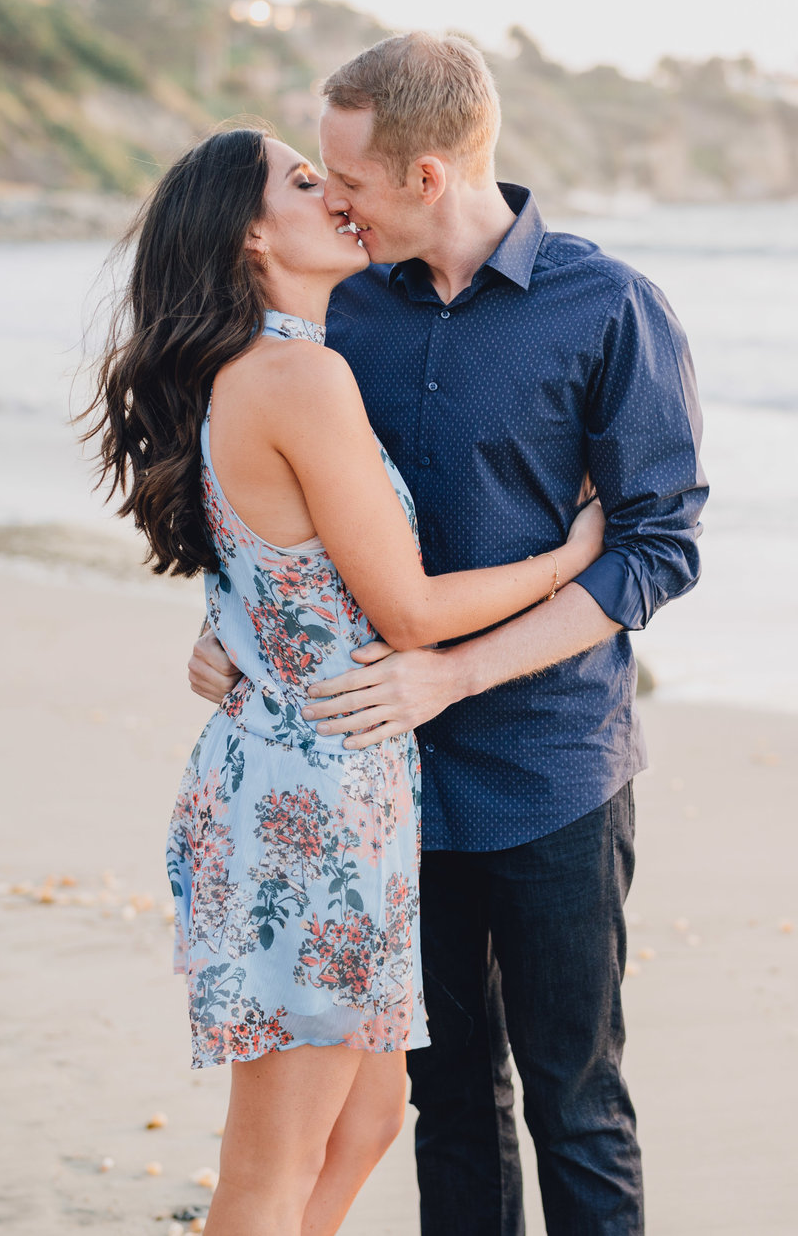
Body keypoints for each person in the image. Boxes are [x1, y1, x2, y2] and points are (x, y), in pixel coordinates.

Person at [187, 33, 706, 1236]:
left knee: (574, 1099)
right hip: (376, 780)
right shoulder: (336, 308)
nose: (335, 201)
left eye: (349, 180)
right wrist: (224, 626)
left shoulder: (609, 306)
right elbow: (283, 504)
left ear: (426, 176)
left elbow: (657, 544)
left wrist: (454, 673)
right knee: (446, 1101)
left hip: (548, 768)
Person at [85, 122, 607, 1236]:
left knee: (368, 1116)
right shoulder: (298, 375)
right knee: (268, 1171)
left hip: (322, 785)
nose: (336, 198)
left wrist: (230, 637)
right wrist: (569, 558)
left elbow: (267, 564)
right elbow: (407, 610)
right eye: (305, 182)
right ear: (251, 237)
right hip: (310, 807)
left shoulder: (274, 366)